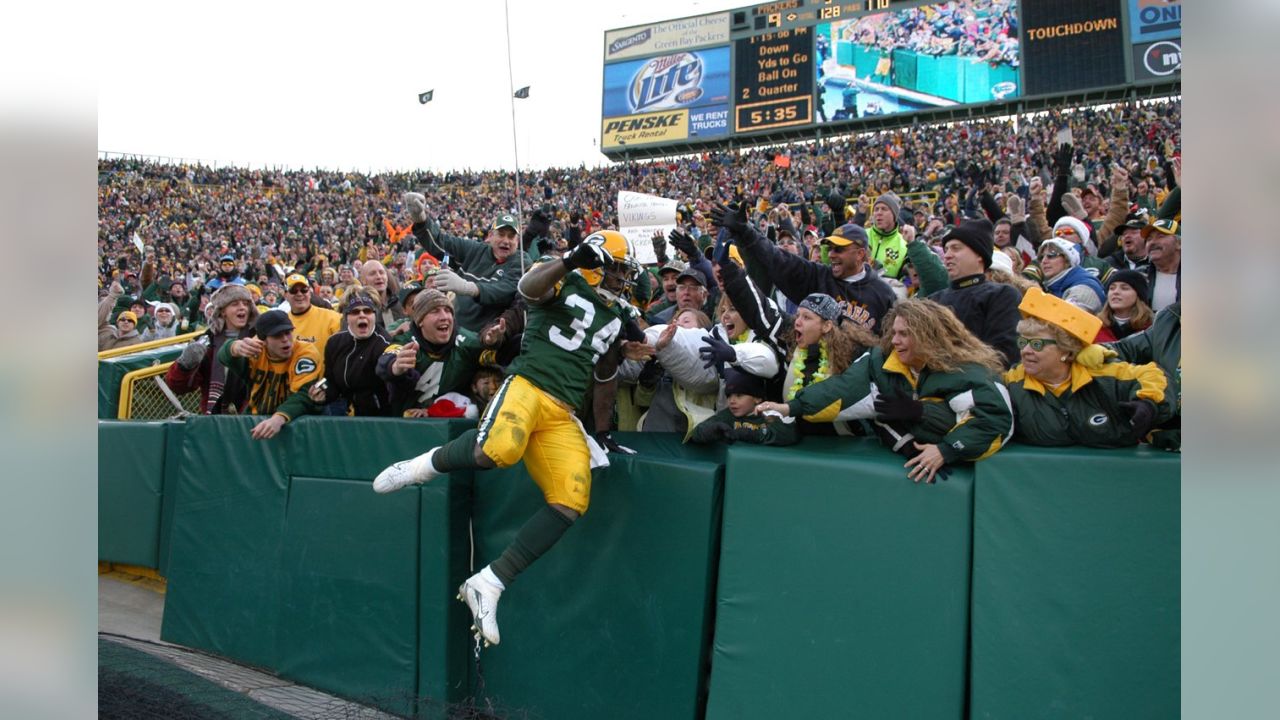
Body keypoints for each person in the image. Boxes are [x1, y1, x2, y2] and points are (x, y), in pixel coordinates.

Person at [371, 230, 646, 647]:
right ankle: (423, 465)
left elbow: (604, 375)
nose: (623, 278)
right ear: (598, 262)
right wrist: (570, 260)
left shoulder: (614, 313)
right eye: (619, 268)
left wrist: (603, 431)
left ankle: (491, 581)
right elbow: (526, 288)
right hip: (529, 384)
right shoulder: (562, 275)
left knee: (571, 499)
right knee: (497, 450)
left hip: (563, 411)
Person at [757, 298, 1013, 483]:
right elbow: (842, 388)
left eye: (904, 334)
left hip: (957, 467)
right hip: (914, 462)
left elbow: (996, 419)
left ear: (929, 337)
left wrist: (945, 449)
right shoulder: (881, 360)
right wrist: (792, 406)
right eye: (894, 333)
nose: (894, 341)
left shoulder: (963, 371)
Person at [1003, 288, 1172, 447]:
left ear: (1066, 351)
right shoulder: (1013, 382)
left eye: (1037, 344)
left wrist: (1149, 404)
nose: (1025, 351)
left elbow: (1154, 375)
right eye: (1022, 342)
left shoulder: (1104, 374)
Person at [714, 201, 896, 333]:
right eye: (830, 248)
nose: (831, 254)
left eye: (839, 249)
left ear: (860, 254)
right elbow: (778, 259)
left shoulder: (884, 294)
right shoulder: (819, 276)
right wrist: (745, 232)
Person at [403, 193, 530, 332]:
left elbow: (505, 290)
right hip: (456, 331)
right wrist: (420, 219)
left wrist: (468, 287)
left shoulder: (522, 261)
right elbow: (441, 243)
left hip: (489, 337)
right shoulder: (474, 250)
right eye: (501, 234)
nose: (506, 240)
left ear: (518, 241)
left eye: (511, 236)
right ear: (490, 236)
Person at [376, 288, 497, 417]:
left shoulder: (465, 342)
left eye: (447, 311)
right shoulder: (407, 341)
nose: (444, 317)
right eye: (435, 311)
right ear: (420, 320)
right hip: (406, 425)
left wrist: (496, 340)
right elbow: (384, 361)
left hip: (451, 425)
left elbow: (498, 354)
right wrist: (394, 367)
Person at [920, 218, 1022, 367]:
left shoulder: (1002, 295)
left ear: (979, 254)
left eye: (956, 248)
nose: (947, 255)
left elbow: (1004, 355)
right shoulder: (933, 300)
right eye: (946, 249)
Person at [216, 309, 322, 439]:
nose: (285, 339)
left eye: (288, 333)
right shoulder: (256, 352)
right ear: (263, 340)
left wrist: (279, 417)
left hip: (298, 425)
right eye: (277, 335)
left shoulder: (305, 352)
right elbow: (223, 356)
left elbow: (304, 393)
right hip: (257, 421)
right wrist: (234, 347)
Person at [165, 284, 259, 414]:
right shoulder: (206, 341)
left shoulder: (260, 337)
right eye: (234, 304)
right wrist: (184, 365)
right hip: (215, 419)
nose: (242, 307)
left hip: (253, 418)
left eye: (246, 303)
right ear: (222, 311)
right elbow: (180, 387)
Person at [308, 288, 392, 416]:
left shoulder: (384, 344)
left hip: (379, 418)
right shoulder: (334, 342)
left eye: (367, 311)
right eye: (355, 312)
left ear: (375, 316)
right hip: (345, 414)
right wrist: (321, 390)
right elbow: (330, 380)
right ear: (346, 317)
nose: (362, 315)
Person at [687, 367, 798, 446]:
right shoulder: (728, 415)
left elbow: (789, 435)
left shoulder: (769, 413)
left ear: (757, 398)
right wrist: (713, 429)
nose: (732, 401)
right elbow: (696, 434)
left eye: (739, 395)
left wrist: (753, 435)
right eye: (729, 396)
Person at [1035, 236, 1105, 312]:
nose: (1044, 261)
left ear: (1067, 260)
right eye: (1041, 257)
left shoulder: (1083, 290)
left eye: (1051, 256)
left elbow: (1064, 320)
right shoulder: (1056, 286)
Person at [281, 273, 342, 358]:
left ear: (309, 293)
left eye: (304, 290)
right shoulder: (282, 322)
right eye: (293, 291)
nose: (299, 294)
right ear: (285, 295)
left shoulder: (331, 317)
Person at [1094, 270, 1154, 343]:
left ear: (1139, 295)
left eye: (1124, 288)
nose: (1115, 292)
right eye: (1112, 288)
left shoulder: (1151, 329)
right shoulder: (1095, 326)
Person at [1142, 218, 1180, 312]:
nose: (1152, 242)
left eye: (1160, 236)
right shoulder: (1140, 277)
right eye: (1149, 239)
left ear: (1179, 243)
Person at [98, 282, 143, 351]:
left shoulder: (138, 343)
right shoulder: (108, 335)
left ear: (134, 325)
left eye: (130, 320)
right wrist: (112, 296)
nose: (126, 322)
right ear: (117, 322)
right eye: (122, 319)